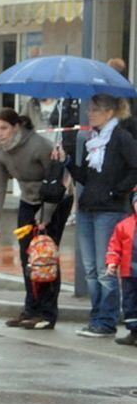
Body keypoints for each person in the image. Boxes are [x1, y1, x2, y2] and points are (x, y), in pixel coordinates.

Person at [54, 94, 137, 338]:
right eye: (89, 109)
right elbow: (86, 178)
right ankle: (96, 316)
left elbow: (135, 168)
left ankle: (106, 320)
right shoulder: (94, 140)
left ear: (110, 112)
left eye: (95, 110)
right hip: (88, 208)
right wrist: (67, 161)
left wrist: (116, 191)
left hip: (110, 211)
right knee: (90, 268)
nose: (89, 114)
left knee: (105, 269)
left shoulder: (121, 138)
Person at [0, 109, 72, 330]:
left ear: (16, 127)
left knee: (45, 254)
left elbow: (58, 180)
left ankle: (47, 314)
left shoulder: (39, 145)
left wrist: (46, 215)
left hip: (55, 199)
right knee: (28, 257)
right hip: (28, 200)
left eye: (4, 128)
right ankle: (30, 309)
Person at [105, 194, 137, 346]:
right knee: (130, 302)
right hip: (129, 273)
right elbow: (115, 247)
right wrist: (112, 263)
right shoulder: (124, 225)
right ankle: (133, 331)